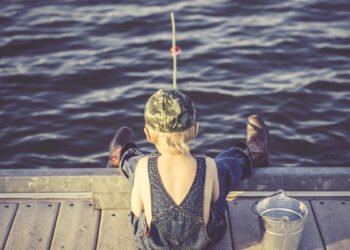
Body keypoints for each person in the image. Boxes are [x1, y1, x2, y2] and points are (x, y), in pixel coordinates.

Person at [107, 89, 270, 249]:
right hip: (203, 241)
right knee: (219, 168)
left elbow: (136, 211)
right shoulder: (208, 164)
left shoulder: (143, 165)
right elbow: (216, 202)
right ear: (196, 129)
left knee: (139, 165)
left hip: (153, 244)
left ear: (148, 135)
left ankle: (123, 154)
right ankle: (249, 153)